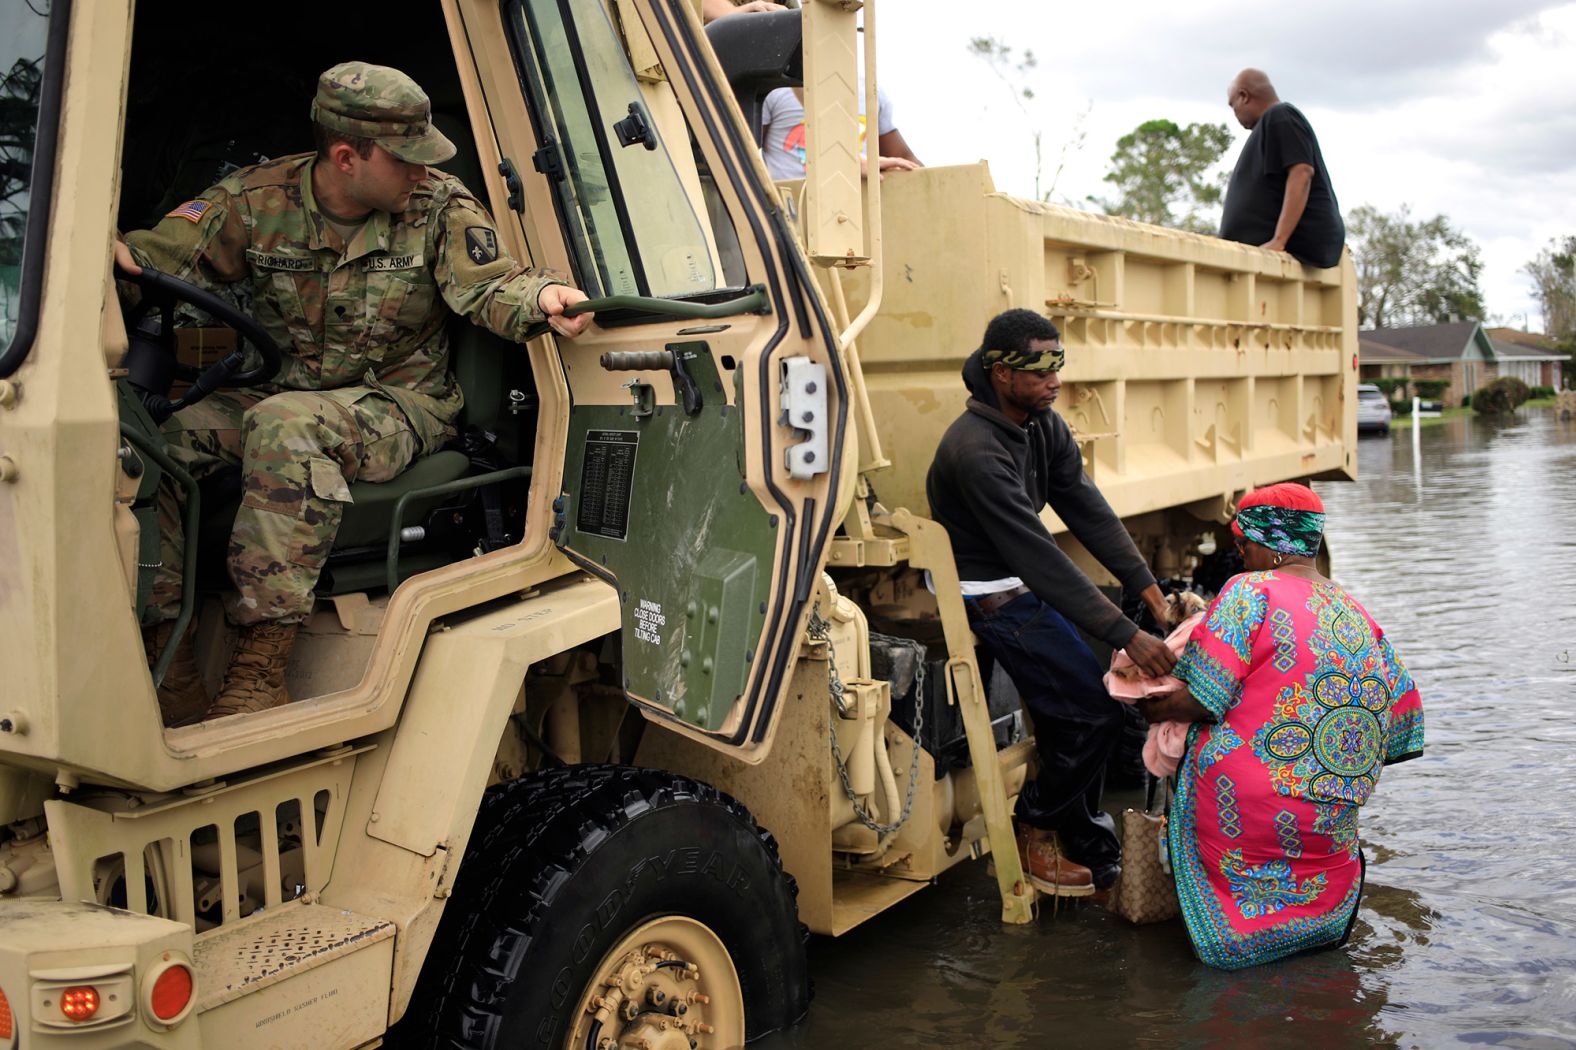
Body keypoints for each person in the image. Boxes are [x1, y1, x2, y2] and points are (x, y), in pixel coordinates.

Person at [117, 61, 592, 724]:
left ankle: (260, 668)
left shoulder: (439, 207)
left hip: (399, 405)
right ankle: (168, 652)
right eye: (408, 160)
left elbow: (489, 285)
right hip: (280, 395)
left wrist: (543, 297)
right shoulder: (254, 202)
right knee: (145, 437)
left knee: (289, 427)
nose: (423, 173)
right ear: (347, 157)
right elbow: (146, 264)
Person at [926, 308, 1177, 895]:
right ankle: (1033, 826)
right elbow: (1039, 555)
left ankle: (1087, 844)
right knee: (1092, 710)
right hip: (985, 594)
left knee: (1099, 705)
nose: (1054, 380)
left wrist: (1148, 590)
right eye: (1039, 370)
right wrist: (1127, 634)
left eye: (1058, 364)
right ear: (1001, 373)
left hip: (1022, 579)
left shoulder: (1043, 425)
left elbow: (1085, 506)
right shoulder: (975, 450)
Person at [1136, 483, 1424, 969]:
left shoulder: (1247, 591)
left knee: (1229, 962)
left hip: (1244, 809)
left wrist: (1150, 704)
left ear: (1272, 545)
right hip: (1329, 815)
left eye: (1245, 538)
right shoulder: (1354, 611)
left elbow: (1201, 697)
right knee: (1317, 962)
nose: (1240, 548)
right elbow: (1402, 726)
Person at [1218, 69, 1344, 269]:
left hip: (1296, 247)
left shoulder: (1280, 115)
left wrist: (1279, 240)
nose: (1236, 115)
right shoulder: (1270, 125)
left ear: (1244, 96)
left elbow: (1301, 172)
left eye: (1233, 107)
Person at [760, 85, 921, 181]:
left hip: (853, 206)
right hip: (793, 209)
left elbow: (903, 158)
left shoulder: (869, 89)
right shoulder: (775, 91)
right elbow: (744, 150)